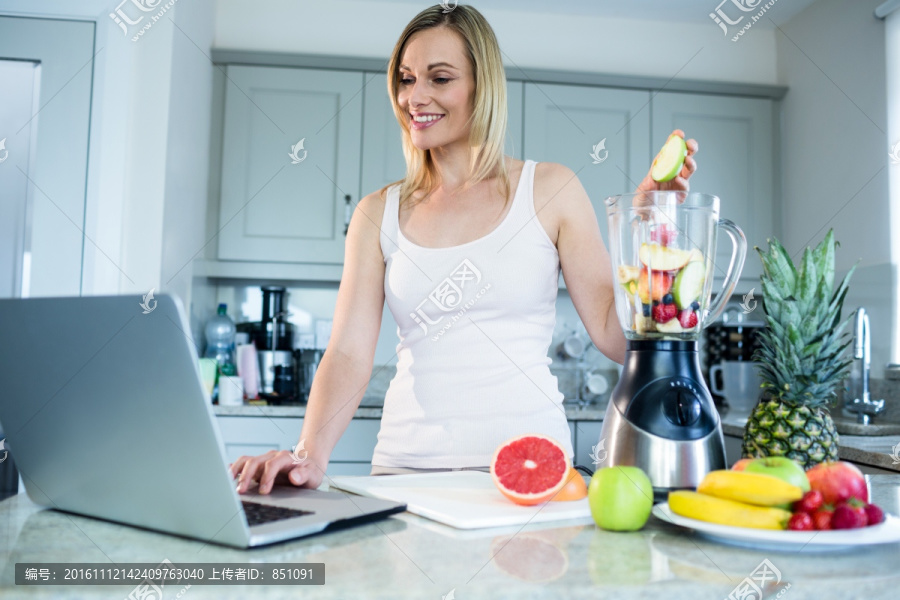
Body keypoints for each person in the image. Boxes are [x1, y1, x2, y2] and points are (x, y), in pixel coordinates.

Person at [232, 4, 697, 494]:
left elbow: (615, 334)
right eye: (407, 79)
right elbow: (347, 353)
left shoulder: (551, 189)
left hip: (533, 472)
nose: (416, 96)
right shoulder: (377, 213)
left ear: (483, 88)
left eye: (439, 78)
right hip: (405, 474)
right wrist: (308, 456)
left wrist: (647, 225)